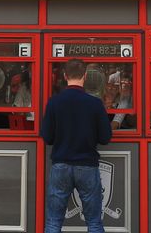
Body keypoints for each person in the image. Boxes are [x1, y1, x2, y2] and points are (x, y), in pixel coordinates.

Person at [41, 58, 112, 233]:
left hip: (61, 165)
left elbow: (47, 137)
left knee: (53, 223)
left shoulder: (54, 102)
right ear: (85, 76)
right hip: (87, 165)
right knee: (94, 222)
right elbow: (105, 137)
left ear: (65, 76)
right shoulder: (95, 104)